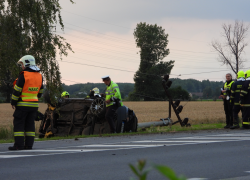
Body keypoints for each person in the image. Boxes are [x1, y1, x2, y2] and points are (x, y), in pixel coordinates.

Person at [9, 55, 43, 150]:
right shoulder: (39, 76)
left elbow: (17, 91)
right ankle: (29, 145)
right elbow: (41, 91)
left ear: (26, 63)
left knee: (19, 124)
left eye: (22, 64)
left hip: (22, 104)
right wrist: (35, 97)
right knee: (30, 125)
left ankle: (18, 145)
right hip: (34, 105)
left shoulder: (24, 75)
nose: (22, 66)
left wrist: (13, 102)